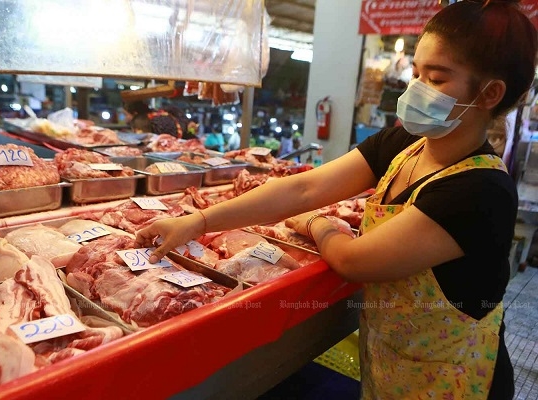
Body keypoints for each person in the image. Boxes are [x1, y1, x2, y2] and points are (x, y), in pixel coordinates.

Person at [136, 1, 536, 398]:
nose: (416, 89)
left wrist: (317, 224)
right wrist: (201, 221)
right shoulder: (406, 143)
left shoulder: (481, 191)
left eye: (436, 78)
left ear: (489, 94)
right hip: (396, 358)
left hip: (456, 376)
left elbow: (353, 261)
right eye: (416, 74)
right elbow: (305, 187)